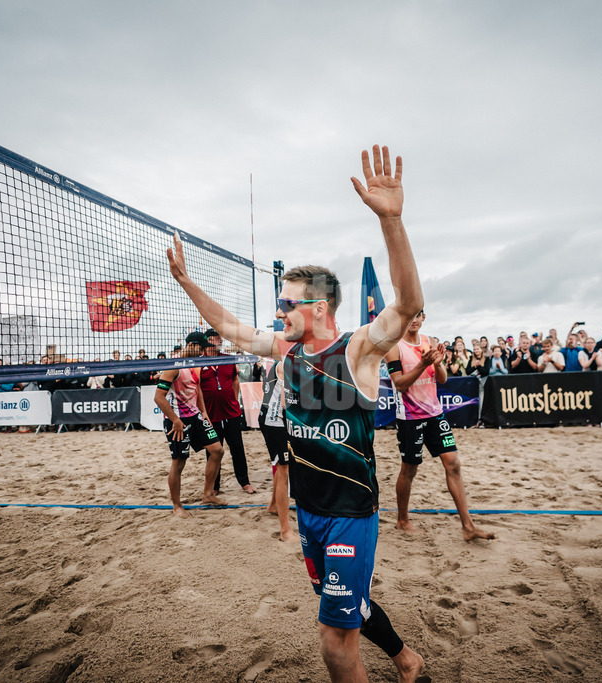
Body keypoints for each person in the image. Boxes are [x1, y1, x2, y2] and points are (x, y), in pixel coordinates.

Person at [165, 145, 425, 682]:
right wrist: (188, 285)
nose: (279, 311)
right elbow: (231, 327)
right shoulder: (286, 350)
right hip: (309, 510)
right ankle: (405, 658)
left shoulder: (358, 349)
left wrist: (391, 221)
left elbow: (405, 304)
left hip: (351, 510)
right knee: (347, 607)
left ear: (319, 308)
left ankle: (395, 658)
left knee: (334, 641)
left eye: (288, 304)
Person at [384, 311, 495, 541]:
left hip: (435, 414)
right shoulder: (394, 346)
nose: (413, 320)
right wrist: (422, 364)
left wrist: (437, 363)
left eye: (417, 315)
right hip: (410, 418)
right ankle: (402, 521)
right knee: (409, 469)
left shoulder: (430, 341)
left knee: (453, 464)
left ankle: (468, 526)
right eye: (409, 316)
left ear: (423, 317)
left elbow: (442, 379)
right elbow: (399, 384)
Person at [153, 332, 227, 517]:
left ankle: (208, 495)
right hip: (177, 420)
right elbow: (158, 397)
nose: (202, 352)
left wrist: (204, 412)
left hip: (195, 416)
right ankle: (177, 506)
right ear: (191, 345)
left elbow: (197, 388)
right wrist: (175, 420)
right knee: (179, 462)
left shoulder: (195, 364)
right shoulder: (173, 367)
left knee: (217, 450)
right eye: (201, 348)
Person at [200, 328, 256, 494]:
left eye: (220, 338)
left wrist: (235, 400)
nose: (220, 340)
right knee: (213, 452)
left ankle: (245, 482)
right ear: (207, 341)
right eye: (216, 338)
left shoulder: (228, 359)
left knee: (237, 448)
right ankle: (214, 486)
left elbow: (234, 379)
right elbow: (197, 388)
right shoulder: (198, 362)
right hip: (211, 414)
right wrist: (202, 411)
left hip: (231, 412)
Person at [258, 358, 295, 542]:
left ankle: (273, 505)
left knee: (283, 466)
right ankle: (285, 530)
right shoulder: (288, 363)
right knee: (284, 470)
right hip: (275, 420)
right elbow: (285, 403)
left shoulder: (284, 361)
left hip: (274, 418)